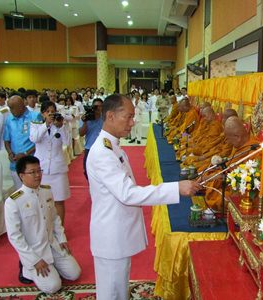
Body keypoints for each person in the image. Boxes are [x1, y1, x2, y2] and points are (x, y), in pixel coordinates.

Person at [86, 94, 200, 300]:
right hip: (111, 235)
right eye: (128, 117)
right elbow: (128, 193)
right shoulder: (103, 152)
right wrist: (176, 189)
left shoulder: (111, 145)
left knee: (119, 290)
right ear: (110, 116)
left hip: (117, 232)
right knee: (111, 293)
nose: (133, 122)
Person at [4, 156, 81, 293]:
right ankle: (26, 267)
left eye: (39, 171)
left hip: (52, 244)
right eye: (32, 172)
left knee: (75, 273)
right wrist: (34, 260)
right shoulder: (14, 201)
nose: (38, 175)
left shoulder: (46, 191)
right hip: (35, 251)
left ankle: (53, 266)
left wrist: (62, 239)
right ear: (21, 176)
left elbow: (55, 219)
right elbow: (15, 236)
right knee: (53, 287)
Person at [30, 101, 70, 224]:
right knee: (42, 201)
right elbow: (34, 138)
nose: (50, 114)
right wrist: (46, 125)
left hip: (58, 169)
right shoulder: (35, 125)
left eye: (52, 111)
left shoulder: (60, 124)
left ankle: (60, 230)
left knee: (59, 200)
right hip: (42, 169)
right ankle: (45, 229)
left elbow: (67, 142)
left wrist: (61, 127)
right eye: (48, 112)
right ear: (43, 114)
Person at [4, 95, 42, 189]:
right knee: (20, 193)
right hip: (15, 163)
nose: (11, 111)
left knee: (35, 191)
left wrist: (26, 153)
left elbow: (40, 141)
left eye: (13, 108)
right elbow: (6, 140)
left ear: (21, 106)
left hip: (32, 161)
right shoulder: (9, 119)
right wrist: (10, 153)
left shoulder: (35, 116)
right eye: (10, 108)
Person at [79, 98, 103, 179]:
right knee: (87, 171)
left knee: (102, 171)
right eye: (96, 106)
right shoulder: (86, 117)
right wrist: (85, 121)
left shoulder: (106, 118)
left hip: (102, 149)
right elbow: (81, 133)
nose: (98, 108)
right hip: (89, 148)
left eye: (100, 106)